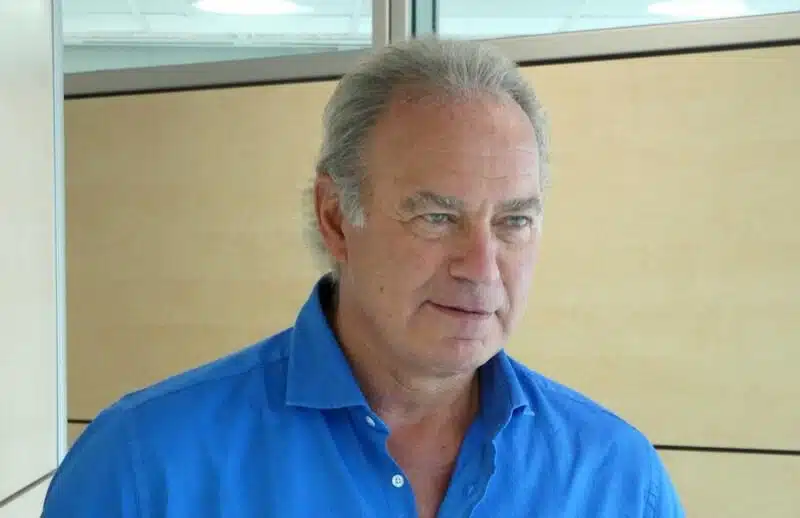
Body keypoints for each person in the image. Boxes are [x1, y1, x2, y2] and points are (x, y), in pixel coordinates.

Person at [42, 38, 684, 517]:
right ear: (336, 218)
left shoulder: (618, 478)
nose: (482, 267)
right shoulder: (144, 466)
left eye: (513, 221)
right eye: (437, 217)